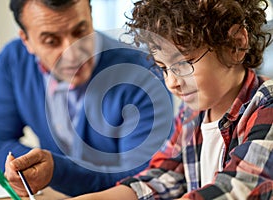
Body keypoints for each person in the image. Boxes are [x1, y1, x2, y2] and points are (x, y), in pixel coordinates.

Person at [64, 0, 273, 199]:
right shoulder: (190, 116)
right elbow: (162, 178)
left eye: (183, 63)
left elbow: (238, 189)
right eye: (164, 68)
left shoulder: (267, 104)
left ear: (235, 45)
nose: (172, 82)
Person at [0, 0, 173, 197]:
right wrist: (28, 167)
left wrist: (56, 171)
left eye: (80, 32)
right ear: (26, 40)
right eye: (51, 41)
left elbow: (145, 177)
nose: (72, 54)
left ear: (91, 16)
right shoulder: (14, 61)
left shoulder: (144, 73)